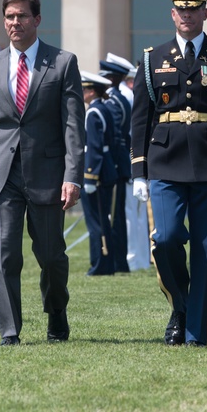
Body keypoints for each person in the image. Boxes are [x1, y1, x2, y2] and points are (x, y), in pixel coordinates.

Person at [130, 0, 207, 346]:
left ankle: (196, 332)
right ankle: (179, 306)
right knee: (164, 240)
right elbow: (140, 118)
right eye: (181, 9)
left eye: (194, 8)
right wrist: (138, 171)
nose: (187, 15)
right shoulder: (152, 59)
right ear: (172, 14)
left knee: (206, 251)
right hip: (164, 160)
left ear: (205, 12)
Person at [0, 0, 84, 346]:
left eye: (21, 16)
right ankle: (10, 330)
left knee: (51, 257)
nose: (15, 23)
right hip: (2, 177)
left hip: (47, 175)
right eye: (9, 17)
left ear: (37, 20)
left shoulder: (62, 63)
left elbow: (73, 127)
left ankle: (56, 312)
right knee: (3, 255)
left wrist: (72, 176)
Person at [79, 71, 118, 277]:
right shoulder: (103, 108)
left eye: (84, 89)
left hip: (99, 174)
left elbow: (94, 147)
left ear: (91, 91)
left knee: (97, 222)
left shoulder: (94, 112)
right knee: (103, 221)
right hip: (107, 170)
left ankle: (99, 265)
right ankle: (107, 264)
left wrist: (90, 176)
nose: (81, 92)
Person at [100, 55, 133, 274]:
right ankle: (117, 260)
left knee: (113, 216)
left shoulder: (112, 101)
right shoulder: (118, 98)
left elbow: (111, 136)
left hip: (113, 164)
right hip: (118, 163)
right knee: (116, 215)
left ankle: (115, 261)